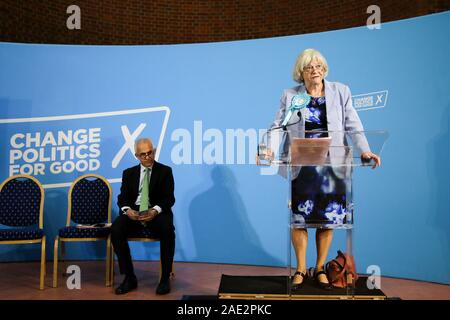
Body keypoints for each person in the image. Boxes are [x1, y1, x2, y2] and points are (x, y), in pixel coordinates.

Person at [269, 49, 380, 290]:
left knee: (327, 218)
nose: (315, 70)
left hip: (333, 164)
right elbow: (278, 126)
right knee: (299, 218)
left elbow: (353, 124)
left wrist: (365, 150)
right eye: (309, 67)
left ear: (325, 69)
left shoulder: (341, 91)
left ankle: (319, 268)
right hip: (302, 164)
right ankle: (300, 269)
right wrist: (268, 150)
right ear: (301, 72)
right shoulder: (290, 95)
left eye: (319, 66)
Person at [111, 137, 175, 295]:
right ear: (136, 156)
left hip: (156, 212)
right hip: (135, 212)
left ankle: (165, 278)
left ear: (153, 151)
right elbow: (122, 198)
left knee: (167, 229)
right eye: (143, 154)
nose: (148, 157)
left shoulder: (165, 171)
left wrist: (155, 211)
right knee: (117, 228)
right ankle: (129, 277)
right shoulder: (128, 173)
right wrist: (127, 210)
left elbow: (169, 198)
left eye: (150, 152)